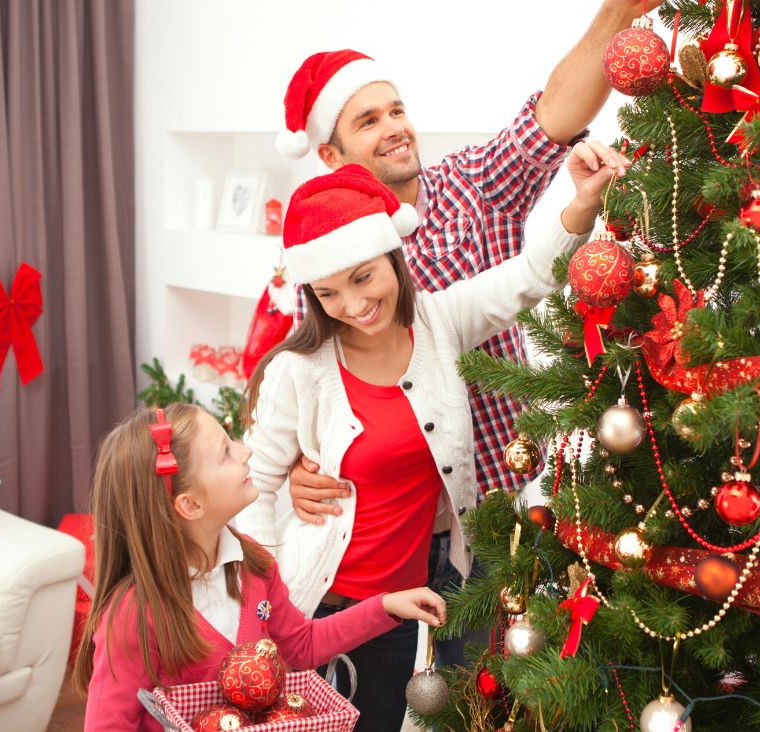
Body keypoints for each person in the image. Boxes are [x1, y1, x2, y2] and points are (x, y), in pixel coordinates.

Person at [274, 2, 662, 665]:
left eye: (396, 110)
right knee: (381, 693)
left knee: (479, 688)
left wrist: (616, 16)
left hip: (486, 515)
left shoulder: (469, 189)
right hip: (378, 532)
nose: (396, 129)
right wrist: (296, 473)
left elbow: (553, 121)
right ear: (331, 155)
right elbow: (298, 383)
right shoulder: (318, 257)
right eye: (369, 121)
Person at [239, 155, 621, 729]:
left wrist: (583, 203)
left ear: (393, 258)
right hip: (318, 607)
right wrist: (269, 608)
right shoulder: (300, 370)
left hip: (396, 610)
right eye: (329, 293)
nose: (353, 305)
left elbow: (529, 276)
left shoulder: (440, 324)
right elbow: (256, 488)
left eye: (363, 278)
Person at [72, 403, 446, 732]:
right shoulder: (132, 616)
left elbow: (302, 645)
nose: (246, 451)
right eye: (226, 453)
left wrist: (385, 606)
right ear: (190, 505)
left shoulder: (253, 565)